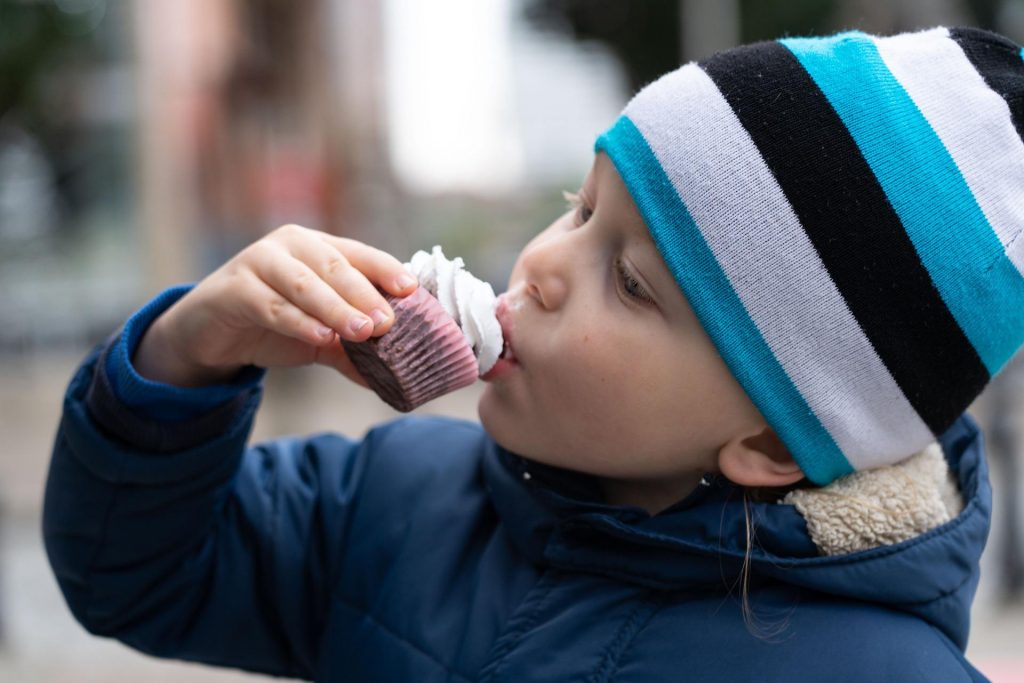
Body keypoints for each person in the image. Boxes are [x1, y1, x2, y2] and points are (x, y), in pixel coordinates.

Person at [43, 26, 1019, 681]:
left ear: (768, 438)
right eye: (579, 205)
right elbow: (133, 573)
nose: (545, 265)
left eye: (631, 280)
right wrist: (187, 357)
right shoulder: (388, 500)